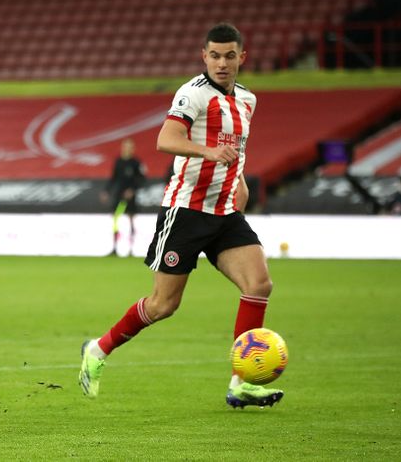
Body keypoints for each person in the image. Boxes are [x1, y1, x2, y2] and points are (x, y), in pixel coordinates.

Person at [79, 23, 284, 409]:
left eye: (229, 56)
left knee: (259, 284)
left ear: (242, 57)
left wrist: (239, 181)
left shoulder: (247, 100)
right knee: (163, 305)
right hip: (186, 212)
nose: (221, 63)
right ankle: (98, 349)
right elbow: (166, 140)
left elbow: (236, 148)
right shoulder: (193, 94)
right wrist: (208, 152)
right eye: (214, 55)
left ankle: (241, 382)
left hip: (225, 212)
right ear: (204, 56)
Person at [100, 138, 146, 256]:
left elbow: (142, 179)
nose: (128, 149)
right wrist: (106, 190)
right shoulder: (118, 161)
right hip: (119, 196)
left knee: (131, 220)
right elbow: (114, 177)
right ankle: (115, 247)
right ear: (123, 148)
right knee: (116, 218)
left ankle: (131, 249)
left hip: (130, 197)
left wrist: (132, 190)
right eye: (126, 146)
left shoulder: (136, 163)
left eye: (130, 147)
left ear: (133, 149)